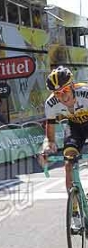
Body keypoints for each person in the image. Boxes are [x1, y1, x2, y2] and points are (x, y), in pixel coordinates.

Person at [41, 66, 88, 228]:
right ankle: (75, 213)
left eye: (65, 90)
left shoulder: (85, 93)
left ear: (73, 85)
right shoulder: (51, 103)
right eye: (57, 93)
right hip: (74, 127)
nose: (63, 96)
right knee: (68, 163)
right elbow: (50, 128)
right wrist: (48, 145)